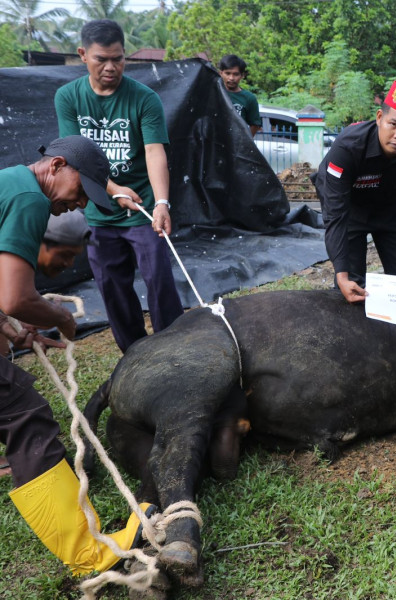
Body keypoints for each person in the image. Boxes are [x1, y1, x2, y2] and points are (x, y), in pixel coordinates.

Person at [0, 135, 154, 576]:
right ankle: (91, 555)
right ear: (56, 166)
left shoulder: (10, 184)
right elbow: (14, 295)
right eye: (80, 189)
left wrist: (13, 327)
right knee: (25, 419)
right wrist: (59, 320)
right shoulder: (30, 198)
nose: (80, 202)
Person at [55, 19, 183, 353]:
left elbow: (155, 152)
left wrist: (162, 204)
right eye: (101, 59)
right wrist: (113, 190)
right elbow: (74, 153)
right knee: (112, 288)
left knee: (159, 282)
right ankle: (135, 355)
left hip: (143, 211)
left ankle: (173, 351)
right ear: (83, 55)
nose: (111, 67)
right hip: (99, 211)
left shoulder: (144, 99)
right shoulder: (68, 97)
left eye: (118, 58)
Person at [312, 80, 396, 304]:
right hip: (348, 206)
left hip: (391, 204)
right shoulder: (348, 147)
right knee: (352, 289)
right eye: (393, 124)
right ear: (379, 118)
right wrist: (342, 275)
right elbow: (336, 215)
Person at [218, 54, 262, 137]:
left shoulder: (249, 98)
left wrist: (244, 142)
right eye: (227, 73)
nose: (231, 78)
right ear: (221, 73)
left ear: (242, 75)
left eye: (236, 74)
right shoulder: (213, 93)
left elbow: (255, 125)